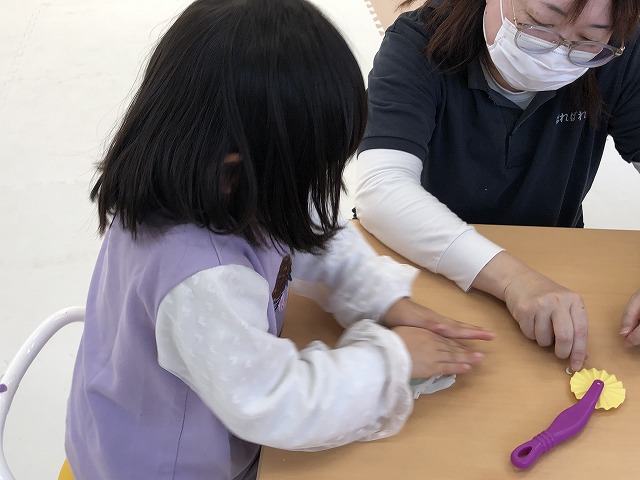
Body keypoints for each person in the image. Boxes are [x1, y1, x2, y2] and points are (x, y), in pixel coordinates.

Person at [64, 1, 495, 479]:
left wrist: (382, 299)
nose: (312, 186)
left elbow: (313, 235)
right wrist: (392, 361)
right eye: (310, 166)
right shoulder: (201, 276)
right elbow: (275, 401)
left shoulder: (219, 178)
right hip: (168, 465)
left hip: (152, 416)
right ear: (238, 163)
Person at [354, 0, 640, 371]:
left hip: (552, 257)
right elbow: (381, 188)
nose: (557, 54)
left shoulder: (618, 49)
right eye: (539, 24)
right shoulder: (420, 44)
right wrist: (513, 279)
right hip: (421, 257)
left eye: (588, 40)